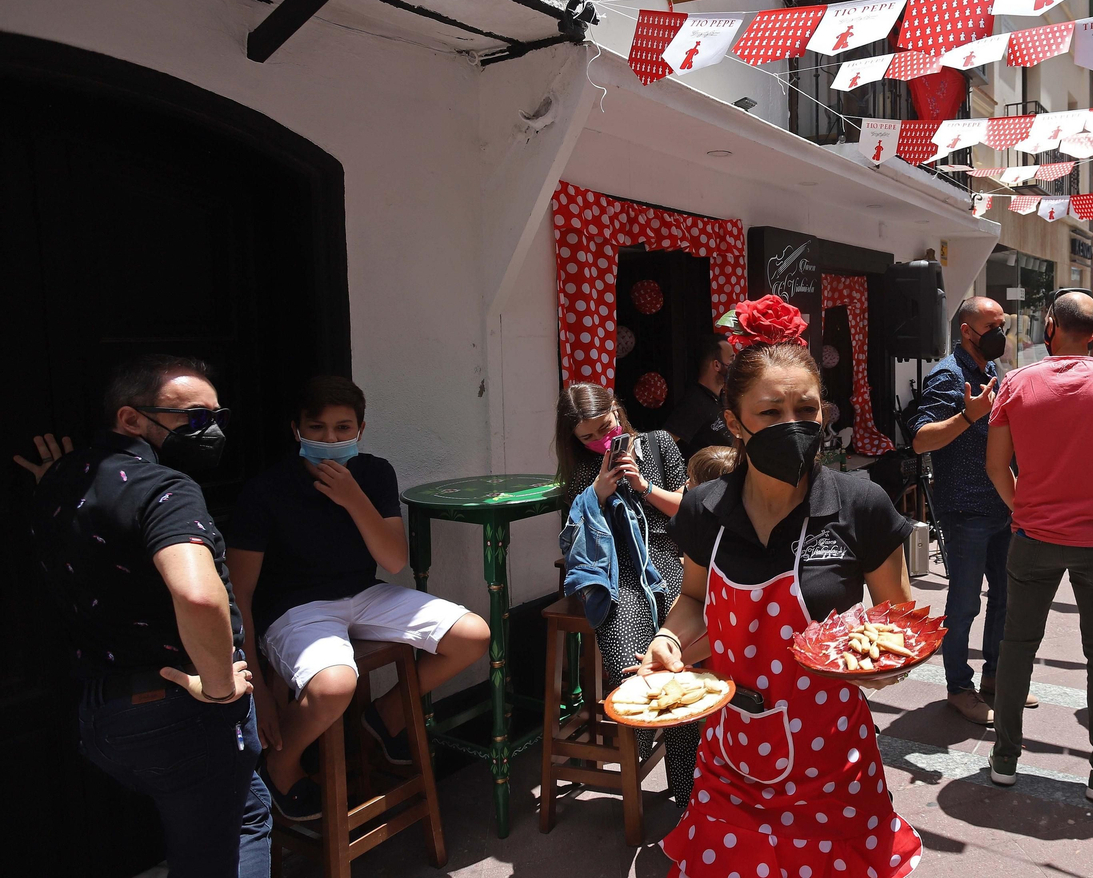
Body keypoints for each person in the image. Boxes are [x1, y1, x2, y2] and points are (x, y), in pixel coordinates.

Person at [641, 296, 924, 877]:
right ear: (735, 421)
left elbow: (895, 621)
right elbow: (693, 599)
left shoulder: (859, 505)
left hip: (833, 764)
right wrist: (669, 638)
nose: (792, 426)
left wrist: (890, 664)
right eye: (771, 413)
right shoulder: (705, 508)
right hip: (729, 757)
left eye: (807, 410)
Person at [26, 355, 270, 877]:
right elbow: (199, 597)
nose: (210, 432)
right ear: (131, 419)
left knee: (220, 823)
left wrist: (56, 476)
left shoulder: (60, 482)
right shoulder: (166, 489)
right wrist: (222, 686)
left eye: (217, 418)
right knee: (232, 837)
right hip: (183, 710)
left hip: (103, 714)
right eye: (194, 419)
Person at [229, 377, 491, 820]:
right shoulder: (265, 491)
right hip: (295, 607)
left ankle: (386, 717)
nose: (330, 439)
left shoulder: (373, 473)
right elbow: (240, 591)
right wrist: (257, 684)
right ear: (296, 430)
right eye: (317, 428)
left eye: (342, 428)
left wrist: (353, 498)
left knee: (473, 635)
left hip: (364, 592)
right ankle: (280, 762)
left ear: (360, 430)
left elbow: (392, 560)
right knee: (335, 686)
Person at [984, 289, 1093, 802]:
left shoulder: (1016, 382)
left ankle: (1004, 758)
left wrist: (1021, 509)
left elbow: (996, 466)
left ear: (1049, 326)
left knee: (1017, 647)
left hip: (1034, 538)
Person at [556, 381, 698, 807]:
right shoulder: (582, 469)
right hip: (613, 568)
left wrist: (643, 487)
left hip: (664, 557)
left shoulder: (657, 445)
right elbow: (573, 536)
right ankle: (635, 742)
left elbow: (688, 512)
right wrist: (597, 492)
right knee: (628, 662)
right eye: (587, 436)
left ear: (617, 412)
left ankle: (685, 785)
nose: (600, 439)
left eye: (605, 426)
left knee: (681, 660)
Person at [909, 296, 1034, 725]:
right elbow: (921, 438)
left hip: (1002, 503)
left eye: (1003, 323)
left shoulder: (991, 370)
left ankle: (996, 679)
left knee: (1005, 596)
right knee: (964, 605)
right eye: (992, 326)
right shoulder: (947, 375)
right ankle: (959, 688)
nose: (1001, 332)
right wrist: (967, 414)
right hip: (965, 510)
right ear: (967, 330)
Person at [665, 335, 736, 460]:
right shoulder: (694, 402)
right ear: (717, 365)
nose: (734, 366)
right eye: (731, 360)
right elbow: (665, 443)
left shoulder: (723, 397)